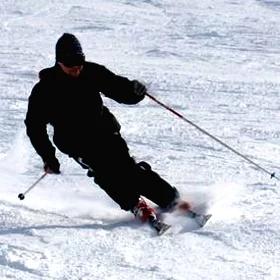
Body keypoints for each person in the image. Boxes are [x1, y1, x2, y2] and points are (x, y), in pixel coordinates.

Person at [25, 33, 190, 225]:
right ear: (59, 62)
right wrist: (48, 157)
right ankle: (135, 204)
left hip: (104, 130)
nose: (76, 68)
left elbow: (119, 89)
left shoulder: (91, 72)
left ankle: (171, 199)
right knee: (106, 173)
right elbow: (35, 127)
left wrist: (134, 91)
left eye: (79, 62)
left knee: (127, 168)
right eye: (70, 64)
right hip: (74, 142)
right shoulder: (44, 89)